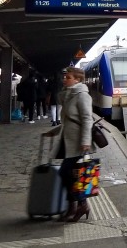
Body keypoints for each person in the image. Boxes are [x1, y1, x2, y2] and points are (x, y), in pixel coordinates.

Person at [52, 67, 95, 222]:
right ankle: (78, 206)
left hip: (78, 142)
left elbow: (86, 119)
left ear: (77, 80)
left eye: (68, 77)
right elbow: (68, 119)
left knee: (66, 174)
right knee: (72, 175)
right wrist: (54, 132)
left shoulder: (82, 95)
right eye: (64, 76)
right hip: (68, 140)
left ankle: (78, 206)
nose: (65, 79)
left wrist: (85, 140)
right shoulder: (69, 95)